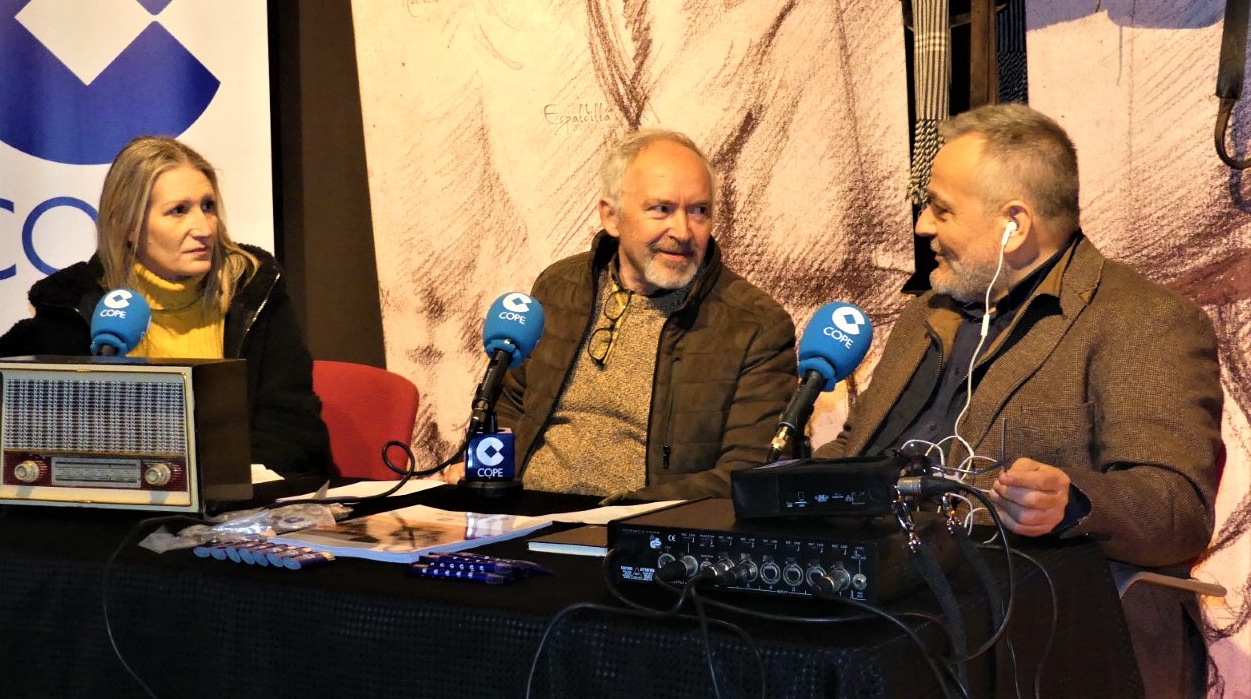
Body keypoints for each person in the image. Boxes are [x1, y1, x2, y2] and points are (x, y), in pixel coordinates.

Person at [817, 104, 1223, 569]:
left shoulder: (1143, 319)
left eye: (941, 209)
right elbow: (853, 449)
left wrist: (1071, 502)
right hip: (870, 598)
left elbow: (1179, 509)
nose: (922, 226)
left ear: (1015, 224)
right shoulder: (923, 316)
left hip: (1034, 621)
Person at [0, 136, 330, 476]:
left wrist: (216, 482)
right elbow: (2, 426)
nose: (203, 228)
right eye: (178, 211)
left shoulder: (254, 290)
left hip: (242, 507)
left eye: (207, 206)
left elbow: (293, 430)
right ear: (127, 225)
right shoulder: (71, 308)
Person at [497, 129, 797, 500]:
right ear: (612, 217)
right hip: (520, 518)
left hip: (640, 533)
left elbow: (749, 472)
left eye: (699, 211)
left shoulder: (755, 325)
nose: (683, 231)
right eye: (662, 209)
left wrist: (626, 511)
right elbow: (509, 404)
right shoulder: (558, 287)